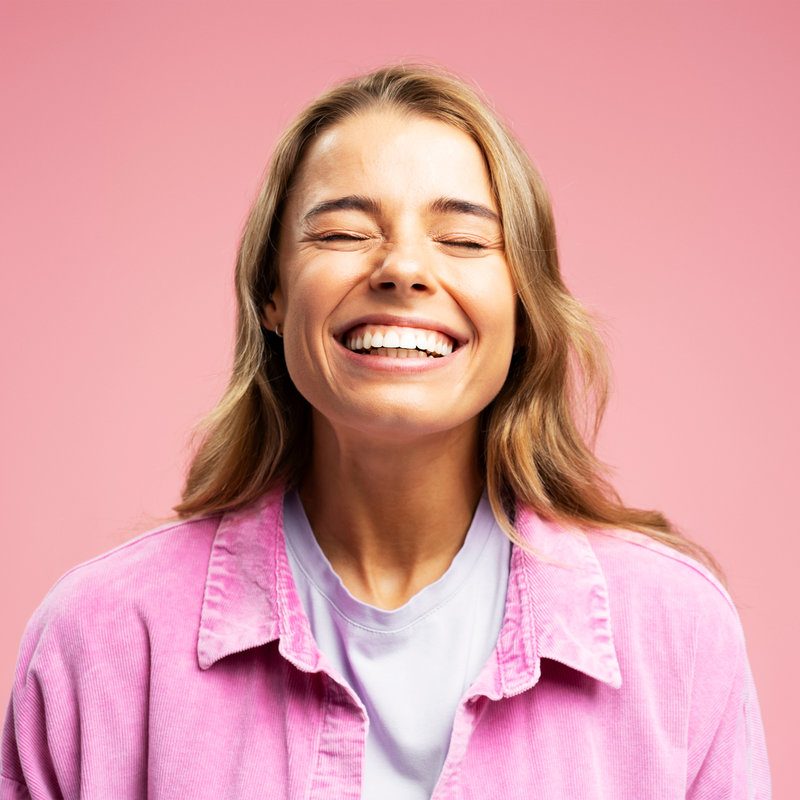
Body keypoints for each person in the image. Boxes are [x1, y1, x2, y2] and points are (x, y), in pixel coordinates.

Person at [1, 61, 771, 800]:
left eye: (465, 240)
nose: (403, 268)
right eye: (341, 234)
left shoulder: (678, 635)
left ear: (523, 302)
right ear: (272, 294)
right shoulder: (99, 641)